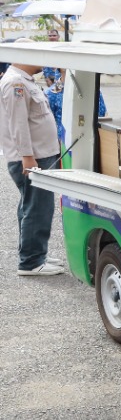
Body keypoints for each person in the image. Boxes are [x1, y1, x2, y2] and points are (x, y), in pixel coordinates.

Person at [1, 60, 64, 275]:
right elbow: (18, 124)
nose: (41, 62)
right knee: (38, 208)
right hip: (33, 157)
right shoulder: (15, 83)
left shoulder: (24, 81)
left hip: (39, 155)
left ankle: (36, 253)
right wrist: (27, 157)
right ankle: (31, 262)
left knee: (31, 206)